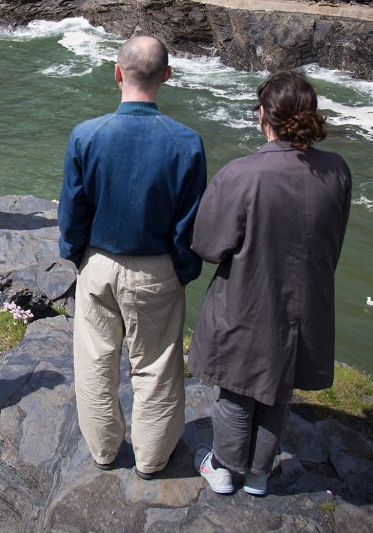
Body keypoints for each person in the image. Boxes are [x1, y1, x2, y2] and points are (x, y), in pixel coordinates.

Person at [189, 70, 351, 496]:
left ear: (263, 115)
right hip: (305, 301)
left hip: (247, 298)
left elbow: (207, 244)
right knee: (277, 388)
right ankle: (260, 473)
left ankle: (224, 467)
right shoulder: (337, 170)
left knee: (237, 390)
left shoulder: (243, 173)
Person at [58, 35, 206, 479]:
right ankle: (151, 459)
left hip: (98, 263)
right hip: (158, 267)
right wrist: (183, 270)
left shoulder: (86, 135)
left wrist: (77, 256)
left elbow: (72, 210)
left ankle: (104, 451)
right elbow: (189, 224)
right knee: (157, 367)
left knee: (95, 362)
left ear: (117, 72)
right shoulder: (187, 143)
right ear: (167, 76)